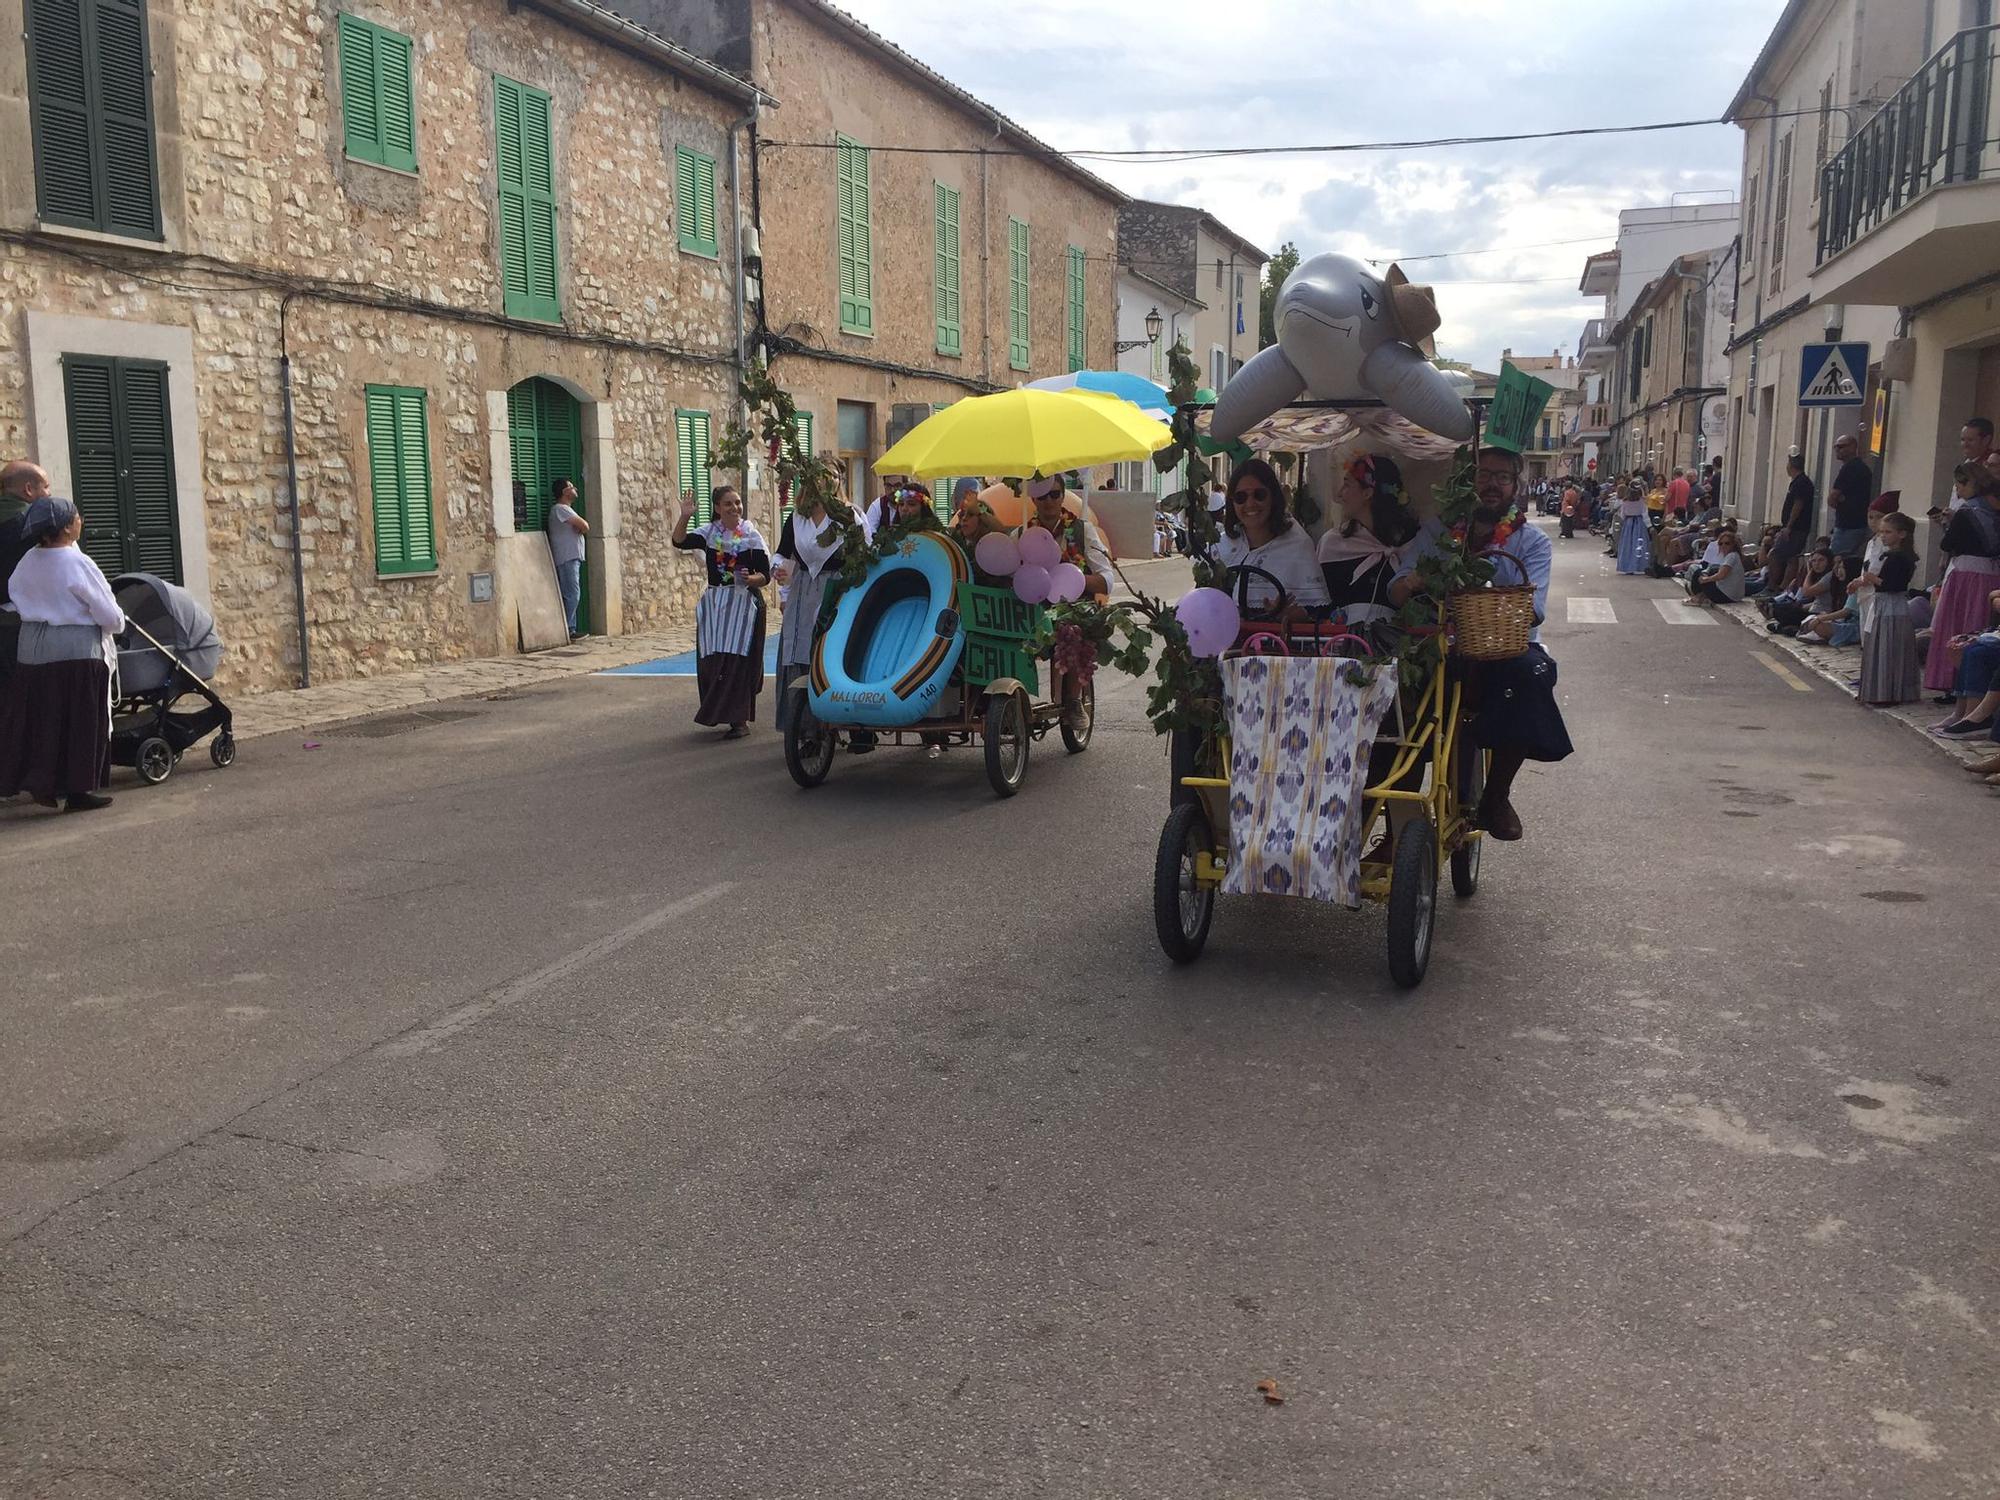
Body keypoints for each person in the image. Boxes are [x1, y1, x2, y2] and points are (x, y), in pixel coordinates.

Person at [1390, 447, 1571, 841]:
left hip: (1503, 649)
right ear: (1466, 483)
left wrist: (1484, 593)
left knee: (1531, 675)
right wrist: (1416, 581)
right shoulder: (1439, 532)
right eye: (1483, 474)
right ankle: (1394, 823)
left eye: (1502, 477)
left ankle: (1497, 795)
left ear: (1515, 486)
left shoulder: (1531, 541)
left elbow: (1534, 610)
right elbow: (1396, 589)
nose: (1491, 484)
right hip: (1440, 645)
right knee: (1393, 700)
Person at [0, 497, 124, 812]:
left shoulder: (28, 560)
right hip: (75, 650)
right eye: (78, 517)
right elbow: (109, 614)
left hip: (32, 650)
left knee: (42, 719)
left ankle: (42, 783)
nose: (81, 521)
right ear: (68, 526)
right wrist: (115, 625)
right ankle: (77, 791)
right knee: (79, 720)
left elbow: (16, 592)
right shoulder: (77, 562)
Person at [672, 485, 770, 738]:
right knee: (713, 660)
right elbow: (679, 540)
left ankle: (739, 721)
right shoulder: (708, 534)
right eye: (728, 504)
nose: (735, 508)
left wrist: (751, 580)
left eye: (737, 502)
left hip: (744, 604)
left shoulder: (751, 536)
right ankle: (716, 711)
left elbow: (765, 576)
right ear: (717, 508)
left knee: (738, 661)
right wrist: (684, 515)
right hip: (716, 605)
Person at [771, 487, 852, 733]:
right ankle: (803, 725)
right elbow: (782, 553)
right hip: (804, 588)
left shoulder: (847, 517)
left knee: (834, 648)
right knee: (800, 648)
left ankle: (845, 721)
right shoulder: (797, 517)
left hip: (838, 588)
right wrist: (778, 569)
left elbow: (864, 551)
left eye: (827, 482)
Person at [1920, 464, 2000, 699]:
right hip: (1992, 574)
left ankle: (1953, 681)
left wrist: (1946, 523)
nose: (1957, 489)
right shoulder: (1994, 510)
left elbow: (1948, 544)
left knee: (1957, 627)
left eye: (1959, 484)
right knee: (1980, 623)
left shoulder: (1967, 512)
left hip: (1965, 575)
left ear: (1969, 483)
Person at [1212, 457, 1328, 618]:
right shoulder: (1221, 546)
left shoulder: (1298, 545)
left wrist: (1291, 615)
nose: (1250, 503)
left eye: (1259, 495)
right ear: (1232, 502)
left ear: (1273, 497)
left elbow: (1318, 612)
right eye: (1241, 497)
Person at [1318, 452, 1418, 632]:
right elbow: (1321, 605)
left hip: (1398, 647)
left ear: (1368, 492)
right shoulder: (1332, 543)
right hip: (1342, 646)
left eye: (1347, 485)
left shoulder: (1412, 543)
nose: (1340, 494)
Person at [0, 460, 53, 706]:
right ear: (29, 490)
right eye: (46, 486)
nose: (49, 493)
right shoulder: (33, 526)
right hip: (21, 626)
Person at [1855, 513, 1922, 705]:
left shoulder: (1898, 557)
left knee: (1887, 650)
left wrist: (1871, 578)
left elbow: (1892, 584)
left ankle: (1886, 692)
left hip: (1891, 607)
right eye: (1882, 531)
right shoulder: (1896, 555)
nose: (1883, 535)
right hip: (1887, 605)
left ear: (1902, 534)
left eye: (1888, 532)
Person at [1015, 475, 1112, 602]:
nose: (1048, 500)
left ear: (1063, 496)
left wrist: (1072, 578)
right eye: (1042, 496)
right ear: (1033, 499)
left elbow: (1107, 582)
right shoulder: (1021, 534)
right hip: (1037, 615)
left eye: (1054, 494)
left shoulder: (1083, 530)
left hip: (1076, 615)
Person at [1759, 455, 1815, 597]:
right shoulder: (1798, 482)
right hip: (1796, 527)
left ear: (1791, 465)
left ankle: (1773, 587)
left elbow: (1798, 505)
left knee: (1776, 555)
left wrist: (1789, 526)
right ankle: (1781, 587)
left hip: (1796, 528)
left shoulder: (1801, 482)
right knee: (1790, 557)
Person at [545, 478, 589, 637]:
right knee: (572, 594)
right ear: (564, 492)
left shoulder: (565, 510)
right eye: (571, 486)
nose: (575, 488)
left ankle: (570, 627)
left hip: (571, 557)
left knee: (571, 593)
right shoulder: (561, 509)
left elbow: (581, 527)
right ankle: (569, 629)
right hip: (567, 557)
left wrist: (580, 528)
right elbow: (584, 525)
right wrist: (581, 528)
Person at [1827, 432, 1874, 558]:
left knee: (1837, 558)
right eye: (1836, 447)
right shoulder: (1859, 467)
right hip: (1855, 522)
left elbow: (1832, 498)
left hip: (1848, 525)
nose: (1837, 450)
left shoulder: (1850, 468)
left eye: (1841, 446)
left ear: (1853, 447)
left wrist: (1841, 501)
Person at [1683, 529, 1745, 607]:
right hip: (1735, 596)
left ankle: (1698, 596)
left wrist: (1707, 579)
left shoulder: (1731, 556)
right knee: (1712, 570)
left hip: (1726, 596)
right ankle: (1701, 595)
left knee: (1698, 573)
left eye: (1727, 543)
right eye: (1721, 544)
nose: (1723, 546)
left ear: (1733, 544)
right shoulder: (1734, 556)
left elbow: (1721, 575)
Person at [1615, 479, 1651, 574]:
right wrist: (1649, 526)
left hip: (1628, 523)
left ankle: (1626, 566)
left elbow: (1622, 515)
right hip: (1639, 523)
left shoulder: (1625, 502)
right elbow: (1645, 514)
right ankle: (1638, 566)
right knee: (1638, 545)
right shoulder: (1642, 501)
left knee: (1627, 545)